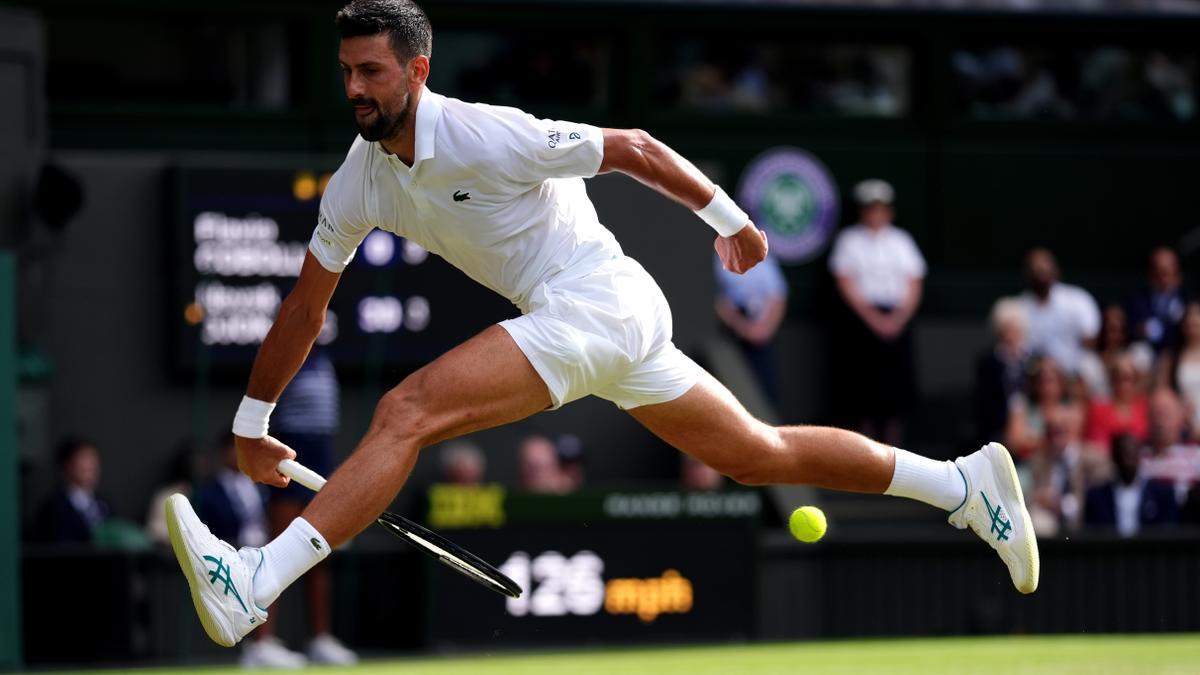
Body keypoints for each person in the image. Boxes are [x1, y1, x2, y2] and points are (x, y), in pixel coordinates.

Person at [163, 0, 1039, 651]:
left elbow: (635, 147)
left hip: (597, 300)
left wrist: (729, 220)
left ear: (417, 71)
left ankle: (258, 579)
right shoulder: (359, 178)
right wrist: (251, 423)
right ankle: (962, 486)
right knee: (758, 454)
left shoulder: (488, 134)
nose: (355, 87)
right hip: (604, 320)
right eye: (347, 71)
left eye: (373, 72)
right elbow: (306, 307)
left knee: (407, 409)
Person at [254, 349, 358, 666]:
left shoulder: (325, 361)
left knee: (318, 551)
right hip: (289, 457)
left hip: (321, 459)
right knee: (278, 550)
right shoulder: (286, 355)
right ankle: (262, 643)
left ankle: (320, 638)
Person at [828, 178, 926, 446]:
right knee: (864, 389)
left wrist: (899, 318)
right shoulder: (849, 240)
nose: (875, 213)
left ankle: (895, 450)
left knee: (896, 390)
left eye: (880, 208)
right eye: (870, 208)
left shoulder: (902, 241)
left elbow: (914, 282)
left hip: (896, 322)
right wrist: (872, 318)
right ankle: (866, 448)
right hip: (863, 324)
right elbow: (845, 281)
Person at [714, 250, 788, 406]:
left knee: (766, 386)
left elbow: (778, 296)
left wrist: (765, 329)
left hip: (761, 327)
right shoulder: (717, 258)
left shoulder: (765, 257)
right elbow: (719, 302)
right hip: (732, 334)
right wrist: (742, 327)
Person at [1016, 247, 1100, 377]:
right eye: (1036, 270)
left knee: (1090, 364)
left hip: (1075, 369)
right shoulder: (1019, 307)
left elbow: (1090, 338)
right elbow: (1019, 349)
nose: (1040, 274)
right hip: (1036, 372)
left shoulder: (1077, 299)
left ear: (1055, 270)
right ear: (1027, 274)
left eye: (1045, 269)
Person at [1083, 434, 1178, 537]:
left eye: (1131, 454)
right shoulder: (1097, 496)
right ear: (1114, 457)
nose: (1127, 461)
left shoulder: (1162, 494)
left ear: (1139, 456)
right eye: (1122, 454)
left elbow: (1169, 531)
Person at [975, 297, 1030, 445]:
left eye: (1014, 327)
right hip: (998, 430)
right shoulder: (988, 362)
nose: (1010, 332)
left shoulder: (1032, 359)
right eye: (1006, 327)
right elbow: (984, 402)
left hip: (1030, 425)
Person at [34, 437, 109, 545]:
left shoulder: (105, 504)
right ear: (68, 465)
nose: (91, 466)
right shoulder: (53, 507)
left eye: (93, 460)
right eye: (84, 459)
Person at [1077, 304, 1153, 400]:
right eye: (1112, 329)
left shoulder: (1139, 353)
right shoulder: (1088, 361)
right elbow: (1083, 394)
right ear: (1103, 329)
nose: (1117, 335)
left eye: (1122, 330)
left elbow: (1145, 384)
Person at [1126, 247, 1187, 355]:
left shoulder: (1188, 299)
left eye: (1167, 273)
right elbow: (1131, 328)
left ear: (1177, 273)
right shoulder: (1139, 299)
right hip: (1148, 353)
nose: (1163, 279)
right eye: (1158, 273)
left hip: (1181, 351)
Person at [1083, 355, 1149, 449]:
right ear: (1111, 380)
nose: (1124, 384)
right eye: (1118, 378)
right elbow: (1095, 443)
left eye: (1129, 379)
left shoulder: (1144, 407)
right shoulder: (1098, 410)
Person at [1155, 302, 1200, 434]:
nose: (1193, 322)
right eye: (1189, 319)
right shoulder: (1170, 357)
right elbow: (1162, 391)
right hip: (1181, 422)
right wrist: (1179, 411)